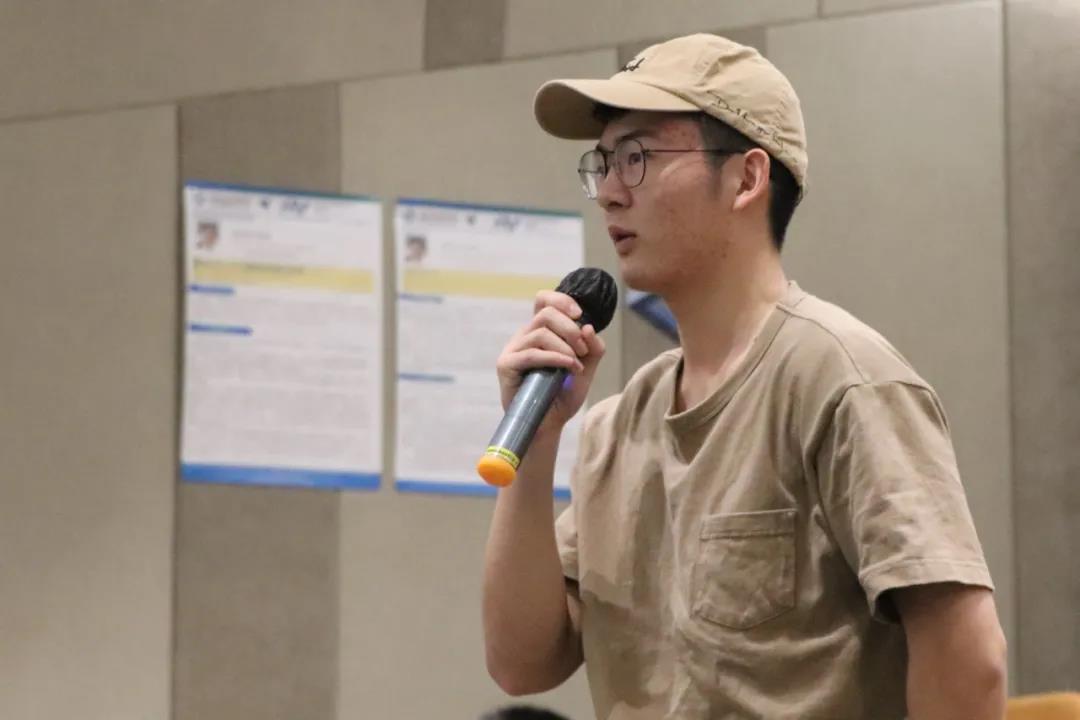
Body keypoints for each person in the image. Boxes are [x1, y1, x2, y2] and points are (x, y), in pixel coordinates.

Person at [482, 33, 1007, 719]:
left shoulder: (842, 380)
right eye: (602, 163)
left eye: (636, 158)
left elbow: (970, 662)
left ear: (747, 179)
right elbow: (522, 663)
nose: (608, 193)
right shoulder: (620, 423)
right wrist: (539, 441)